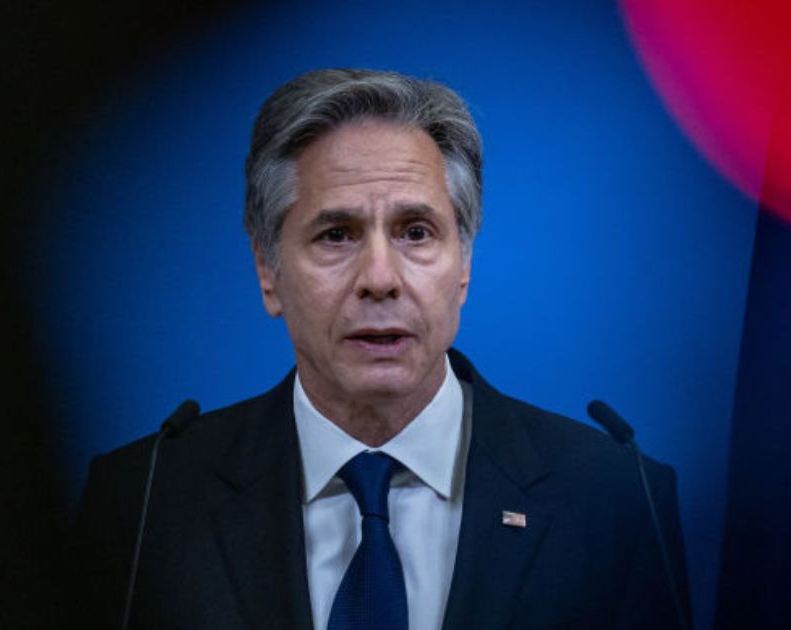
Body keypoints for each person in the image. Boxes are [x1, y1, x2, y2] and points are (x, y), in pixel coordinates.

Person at [72, 68, 690, 629]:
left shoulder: (614, 496)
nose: (380, 277)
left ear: (464, 263)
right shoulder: (145, 498)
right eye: (336, 234)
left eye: (416, 232)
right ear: (267, 269)